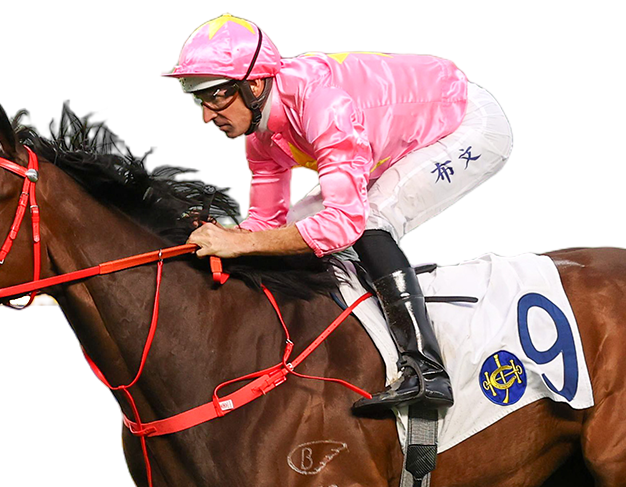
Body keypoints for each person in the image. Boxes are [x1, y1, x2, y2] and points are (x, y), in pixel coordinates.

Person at [164, 13, 513, 413]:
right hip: (396, 135)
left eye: (215, 96)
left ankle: (426, 371)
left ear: (254, 84)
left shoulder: (323, 106)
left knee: (369, 221)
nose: (207, 115)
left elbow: (345, 223)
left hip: (467, 123)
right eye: (200, 99)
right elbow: (266, 225)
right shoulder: (261, 138)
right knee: (298, 229)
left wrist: (241, 244)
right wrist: (224, 236)